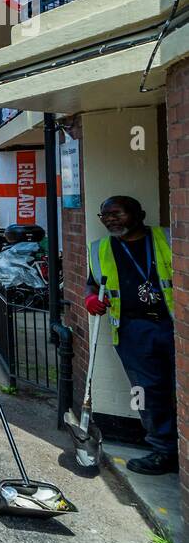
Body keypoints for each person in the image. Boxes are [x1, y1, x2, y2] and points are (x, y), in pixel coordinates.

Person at [85, 196, 177, 475]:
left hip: (172, 326)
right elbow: (92, 285)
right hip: (132, 330)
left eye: (117, 213)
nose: (110, 219)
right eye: (105, 215)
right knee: (146, 392)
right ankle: (163, 450)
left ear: (139, 213)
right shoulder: (100, 249)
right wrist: (91, 299)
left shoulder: (167, 238)